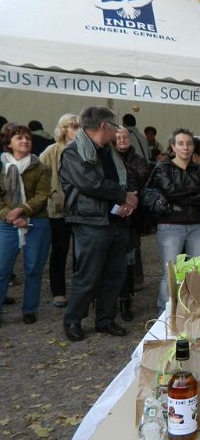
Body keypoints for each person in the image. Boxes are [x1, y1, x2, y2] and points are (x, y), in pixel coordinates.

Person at [59, 107, 138, 341]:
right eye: (114, 126)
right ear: (104, 126)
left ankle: (105, 320)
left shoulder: (109, 151)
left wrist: (129, 199)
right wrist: (124, 196)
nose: (117, 131)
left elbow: (125, 177)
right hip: (91, 222)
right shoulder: (74, 151)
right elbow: (90, 183)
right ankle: (73, 320)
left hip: (116, 221)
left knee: (115, 274)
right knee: (88, 275)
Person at [150, 129, 200, 312]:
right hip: (171, 226)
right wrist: (195, 191)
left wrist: (181, 195)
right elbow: (170, 192)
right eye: (180, 143)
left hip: (198, 226)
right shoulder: (163, 168)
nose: (185, 147)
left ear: (193, 146)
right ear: (173, 146)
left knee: (197, 271)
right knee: (169, 272)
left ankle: (194, 311)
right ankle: (166, 313)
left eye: (189, 143)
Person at [0, 123, 52, 326]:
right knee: (2, 269)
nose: (24, 141)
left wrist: (21, 211)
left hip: (36, 221)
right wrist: (9, 215)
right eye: (19, 138)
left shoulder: (41, 166)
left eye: (27, 138)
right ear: (8, 143)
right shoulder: (1, 166)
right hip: (6, 222)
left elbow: (42, 195)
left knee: (33, 268)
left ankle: (30, 309)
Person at [39, 113, 80, 309]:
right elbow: (40, 176)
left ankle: (80, 290)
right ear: (64, 130)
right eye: (74, 127)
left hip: (81, 210)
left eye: (80, 127)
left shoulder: (85, 150)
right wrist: (51, 195)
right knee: (59, 251)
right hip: (58, 210)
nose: (78, 130)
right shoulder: (51, 151)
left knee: (81, 252)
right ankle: (58, 291)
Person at [114, 127, 150, 321]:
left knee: (129, 257)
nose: (122, 140)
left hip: (131, 215)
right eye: (118, 137)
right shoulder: (107, 158)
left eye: (125, 137)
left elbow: (140, 179)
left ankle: (126, 299)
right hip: (109, 215)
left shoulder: (138, 160)